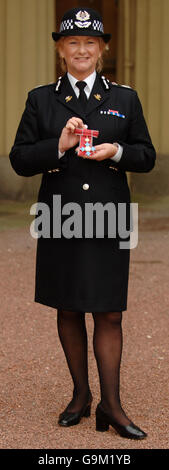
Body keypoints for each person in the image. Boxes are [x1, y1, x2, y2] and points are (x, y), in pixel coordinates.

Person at [9, 7, 156, 439]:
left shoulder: (124, 98)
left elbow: (146, 155)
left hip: (109, 215)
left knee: (109, 312)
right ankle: (80, 396)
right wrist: (58, 143)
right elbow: (19, 159)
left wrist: (116, 152)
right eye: (73, 42)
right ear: (61, 50)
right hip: (60, 214)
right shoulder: (41, 98)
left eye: (90, 43)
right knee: (69, 307)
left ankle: (112, 404)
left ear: (102, 50)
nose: (82, 50)